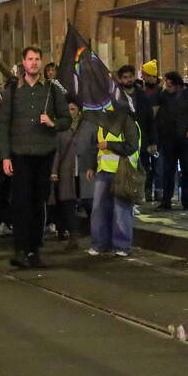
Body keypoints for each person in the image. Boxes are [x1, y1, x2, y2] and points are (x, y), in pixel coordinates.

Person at [0, 46, 71, 269]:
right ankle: (21, 248)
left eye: (37, 59)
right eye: (30, 59)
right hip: (20, 155)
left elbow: (66, 119)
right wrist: (5, 156)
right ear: (23, 62)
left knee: (38, 202)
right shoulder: (13, 90)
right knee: (21, 203)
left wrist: (53, 123)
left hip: (44, 154)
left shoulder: (51, 90)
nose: (34, 63)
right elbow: (3, 125)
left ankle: (34, 248)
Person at [83, 109, 141, 257]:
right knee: (100, 211)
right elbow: (95, 146)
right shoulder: (102, 125)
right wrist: (91, 166)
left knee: (121, 211)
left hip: (123, 173)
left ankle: (121, 246)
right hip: (103, 172)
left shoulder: (128, 122)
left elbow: (131, 146)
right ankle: (100, 244)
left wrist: (109, 145)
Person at [115, 65, 157, 202]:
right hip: (123, 140)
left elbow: (150, 119)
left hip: (141, 140)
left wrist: (152, 141)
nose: (128, 80)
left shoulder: (142, 96)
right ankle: (127, 195)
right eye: (125, 77)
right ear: (120, 79)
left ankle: (140, 194)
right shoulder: (115, 96)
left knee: (141, 169)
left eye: (130, 77)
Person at [155, 71, 188, 210]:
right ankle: (166, 200)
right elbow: (154, 101)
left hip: (185, 138)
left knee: (186, 169)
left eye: (170, 84)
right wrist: (159, 87)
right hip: (169, 138)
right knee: (168, 169)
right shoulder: (165, 95)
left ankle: (186, 200)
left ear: (177, 85)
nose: (168, 87)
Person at [49, 101, 83, 250]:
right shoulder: (64, 129)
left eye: (73, 109)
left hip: (75, 172)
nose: (70, 112)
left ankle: (70, 234)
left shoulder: (74, 128)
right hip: (67, 172)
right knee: (65, 203)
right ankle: (65, 232)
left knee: (67, 204)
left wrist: (54, 171)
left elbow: (56, 152)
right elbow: (57, 152)